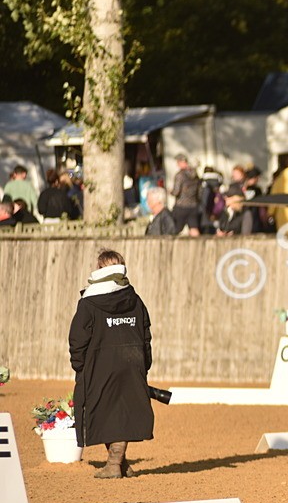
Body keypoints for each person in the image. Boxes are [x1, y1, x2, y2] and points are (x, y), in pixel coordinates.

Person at [68, 248, 154, 478]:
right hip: (132, 362)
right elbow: (145, 334)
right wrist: (144, 363)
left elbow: (77, 338)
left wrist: (79, 365)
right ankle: (120, 462)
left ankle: (114, 464)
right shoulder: (135, 300)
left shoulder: (88, 303)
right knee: (122, 411)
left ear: (99, 270)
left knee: (105, 411)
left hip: (100, 365)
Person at [170, 154, 201, 236]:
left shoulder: (180, 175)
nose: (177, 164)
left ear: (181, 162)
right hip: (193, 205)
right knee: (194, 228)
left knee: (175, 229)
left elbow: (176, 192)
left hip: (181, 206)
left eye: (178, 162)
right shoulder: (195, 174)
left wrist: (170, 191)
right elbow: (199, 190)